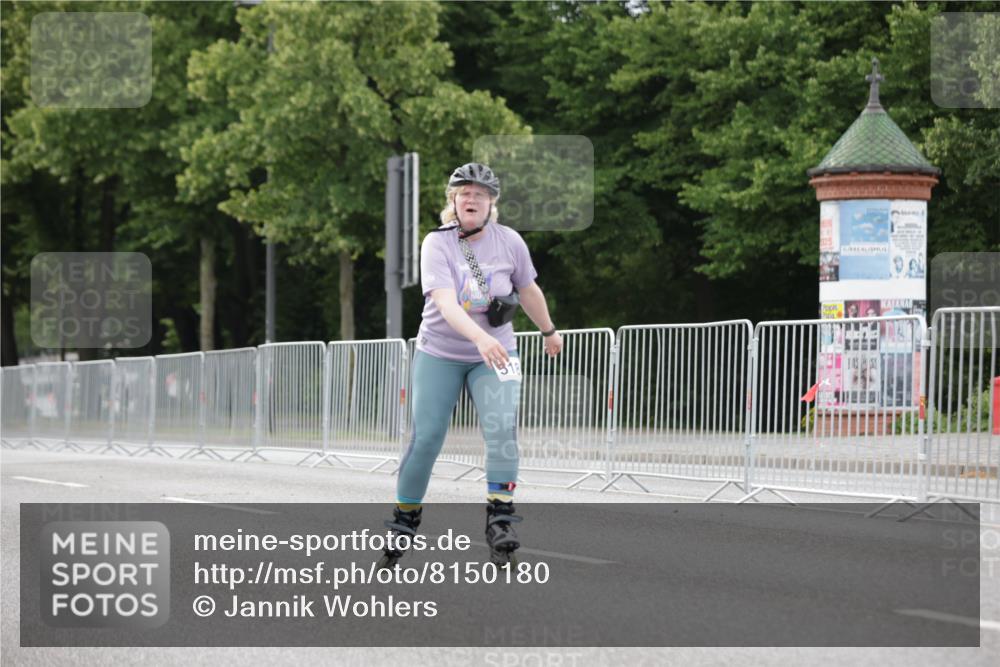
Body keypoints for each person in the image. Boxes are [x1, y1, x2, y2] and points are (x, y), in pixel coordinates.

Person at [379, 162, 563, 568]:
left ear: (491, 202)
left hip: (498, 353)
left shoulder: (510, 241)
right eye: (464, 193)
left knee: (502, 428)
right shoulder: (436, 243)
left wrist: (549, 330)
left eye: (480, 194)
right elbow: (444, 302)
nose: (471, 199)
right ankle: (404, 518)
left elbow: (528, 289)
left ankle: (500, 517)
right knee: (426, 437)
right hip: (439, 352)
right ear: (454, 201)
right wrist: (479, 337)